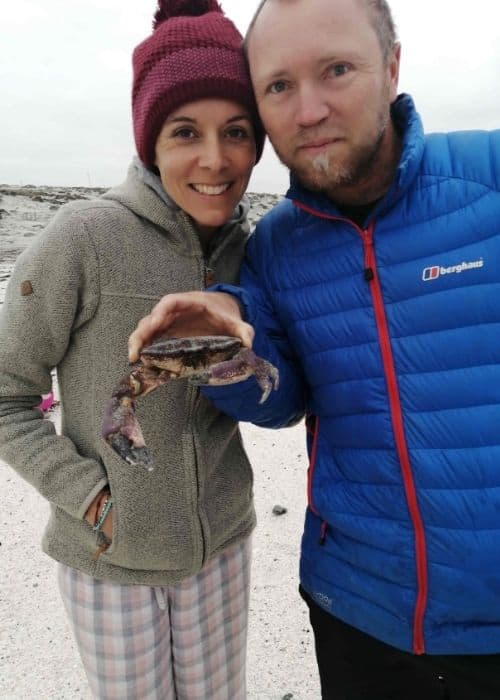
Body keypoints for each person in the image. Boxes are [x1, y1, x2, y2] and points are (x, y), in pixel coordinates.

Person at [128, 0, 500, 698]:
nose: (308, 112)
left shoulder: (490, 176)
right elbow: (283, 401)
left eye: (336, 70)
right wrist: (218, 347)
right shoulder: (274, 246)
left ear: (391, 67)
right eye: (278, 87)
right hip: (357, 616)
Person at [0, 1, 265, 698]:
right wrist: (90, 498)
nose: (215, 158)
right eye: (186, 132)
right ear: (150, 141)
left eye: (237, 132)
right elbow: (6, 395)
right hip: (108, 557)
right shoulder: (83, 238)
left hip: (223, 548)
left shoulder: (251, 252)